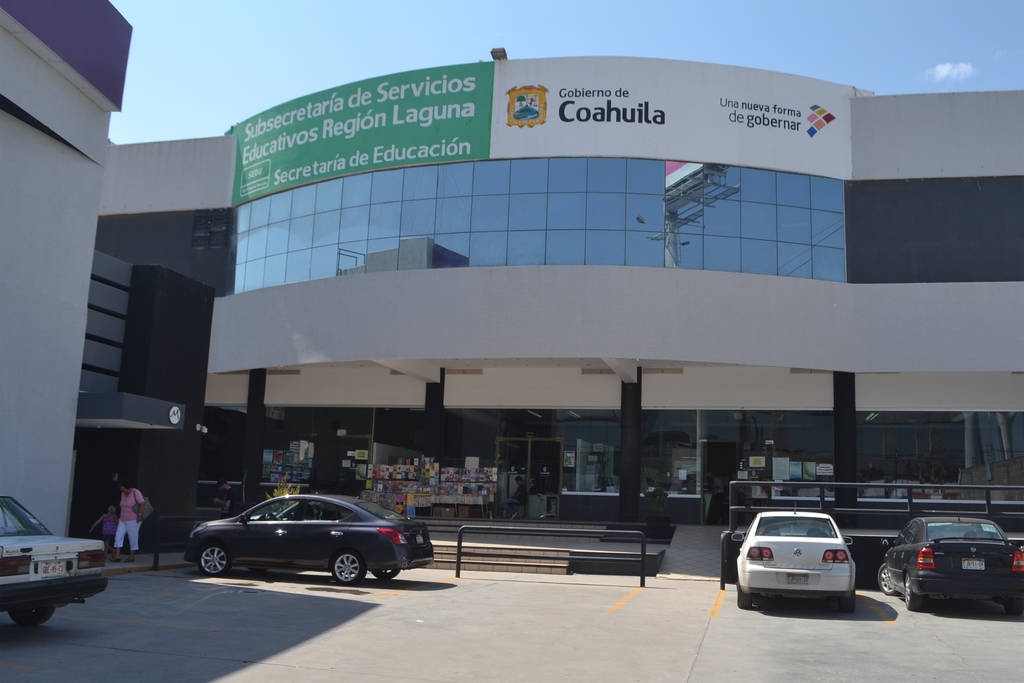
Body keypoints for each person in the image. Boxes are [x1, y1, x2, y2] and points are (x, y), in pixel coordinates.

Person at [111, 483, 145, 563]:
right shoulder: (123, 494)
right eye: (121, 489)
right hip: (122, 519)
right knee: (118, 536)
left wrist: (139, 515)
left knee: (132, 537)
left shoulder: (136, 492)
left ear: (129, 488)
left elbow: (142, 503)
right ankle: (117, 556)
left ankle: (132, 556)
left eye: (123, 489)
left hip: (133, 520)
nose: (122, 491)